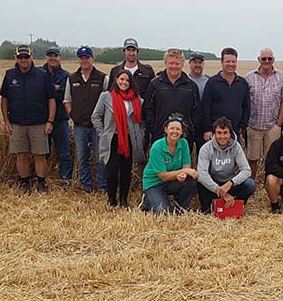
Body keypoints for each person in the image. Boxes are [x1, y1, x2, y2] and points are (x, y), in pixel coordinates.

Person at [0, 46, 56, 193]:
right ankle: (24, 183)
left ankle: (41, 183)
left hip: (39, 123)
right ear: (16, 58)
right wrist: (6, 120)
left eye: (26, 57)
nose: (23, 60)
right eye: (20, 57)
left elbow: (51, 99)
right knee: (21, 155)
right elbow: (4, 99)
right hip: (17, 123)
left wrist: (50, 121)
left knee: (40, 155)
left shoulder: (42, 75)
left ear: (31, 57)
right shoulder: (10, 75)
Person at [92, 70, 146, 207]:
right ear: (116, 80)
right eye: (122, 79)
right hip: (112, 139)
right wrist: (102, 133)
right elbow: (96, 116)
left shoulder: (137, 100)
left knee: (126, 170)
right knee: (112, 170)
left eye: (127, 80)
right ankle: (111, 199)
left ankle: (123, 199)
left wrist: (141, 134)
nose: (124, 82)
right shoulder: (106, 97)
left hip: (129, 140)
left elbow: (142, 121)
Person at [64, 46, 109, 193]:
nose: (84, 61)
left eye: (87, 58)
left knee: (100, 157)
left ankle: (102, 187)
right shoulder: (72, 78)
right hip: (80, 127)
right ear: (78, 60)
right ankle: (86, 186)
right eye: (81, 58)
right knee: (82, 157)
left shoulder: (103, 78)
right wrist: (73, 115)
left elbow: (108, 102)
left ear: (92, 59)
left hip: (98, 127)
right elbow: (67, 100)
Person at [244, 48, 283, 175]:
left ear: (273, 60)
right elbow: (244, 101)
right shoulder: (249, 77)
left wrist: (279, 124)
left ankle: (269, 184)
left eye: (269, 59)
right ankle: (252, 183)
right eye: (264, 58)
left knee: (272, 159)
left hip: (273, 126)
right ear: (258, 60)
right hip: (253, 125)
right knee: (252, 158)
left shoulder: (281, 77)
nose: (266, 61)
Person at [143, 48, 202, 147]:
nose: (174, 66)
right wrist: (155, 128)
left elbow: (197, 111)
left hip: (185, 138)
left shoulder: (191, 86)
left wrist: (190, 129)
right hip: (160, 137)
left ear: (182, 64)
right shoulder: (155, 84)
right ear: (165, 63)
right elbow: (148, 109)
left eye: (177, 64)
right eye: (171, 63)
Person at [141, 113, 199, 214]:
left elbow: (186, 165)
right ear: (166, 130)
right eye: (172, 128)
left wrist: (183, 174)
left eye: (178, 129)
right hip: (154, 183)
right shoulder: (157, 147)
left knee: (191, 182)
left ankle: (180, 209)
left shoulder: (183, 143)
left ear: (181, 132)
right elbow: (163, 176)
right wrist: (183, 171)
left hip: (171, 181)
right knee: (164, 213)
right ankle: (149, 200)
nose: (174, 132)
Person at [197, 117, 256, 214]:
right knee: (200, 183)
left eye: (225, 133)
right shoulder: (206, 148)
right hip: (213, 185)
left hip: (229, 183)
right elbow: (202, 174)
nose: (222, 136)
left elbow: (246, 170)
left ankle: (235, 207)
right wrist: (220, 191)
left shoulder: (236, 146)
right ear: (214, 134)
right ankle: (207, 211)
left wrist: (230, 183)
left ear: (230, 134)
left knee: (250, 184)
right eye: (219, 133)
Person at [201, 47, 250, 144]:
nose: (231, 64)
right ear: (222, 62)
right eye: (228, 61)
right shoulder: (212, 82)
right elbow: (205, 107)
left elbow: (246, 106)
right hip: (216, 132)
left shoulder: (242, 83)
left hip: (235, 131)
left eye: (233, 61)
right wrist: (207, 129)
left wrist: (242, 125)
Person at [43, 47, 72, 186]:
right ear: (46, 57)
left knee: (64, 152)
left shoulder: (66, 75)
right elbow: (37, 93)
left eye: (55, 55)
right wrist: (55, 87)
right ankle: (42, 177)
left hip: (61, 119)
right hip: (42, 119)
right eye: (50, 55)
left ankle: (65, 178)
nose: (52, 58)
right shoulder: (38, 72)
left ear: (60, 58)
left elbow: (63, 95)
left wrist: (49, 88)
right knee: (42, 151)